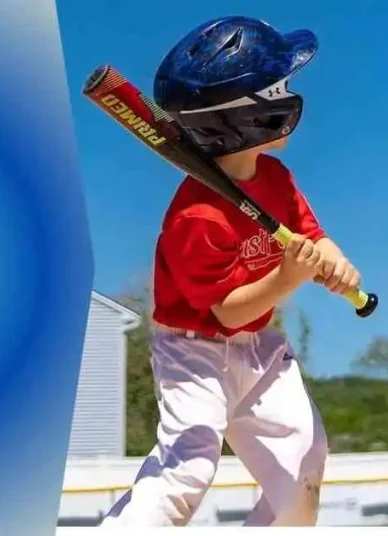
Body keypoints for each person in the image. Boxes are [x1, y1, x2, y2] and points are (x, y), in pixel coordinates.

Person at [99, 16, 362, 527]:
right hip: (193, 350)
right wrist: (288, 277)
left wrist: (335, 261)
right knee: (190, 465)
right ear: (246, 119)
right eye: (278, 89)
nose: (288, 94)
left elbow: (311, 233)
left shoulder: (275, 176)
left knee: (304, 458)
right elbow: (227, 310)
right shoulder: (196, 216)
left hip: (259, 349)